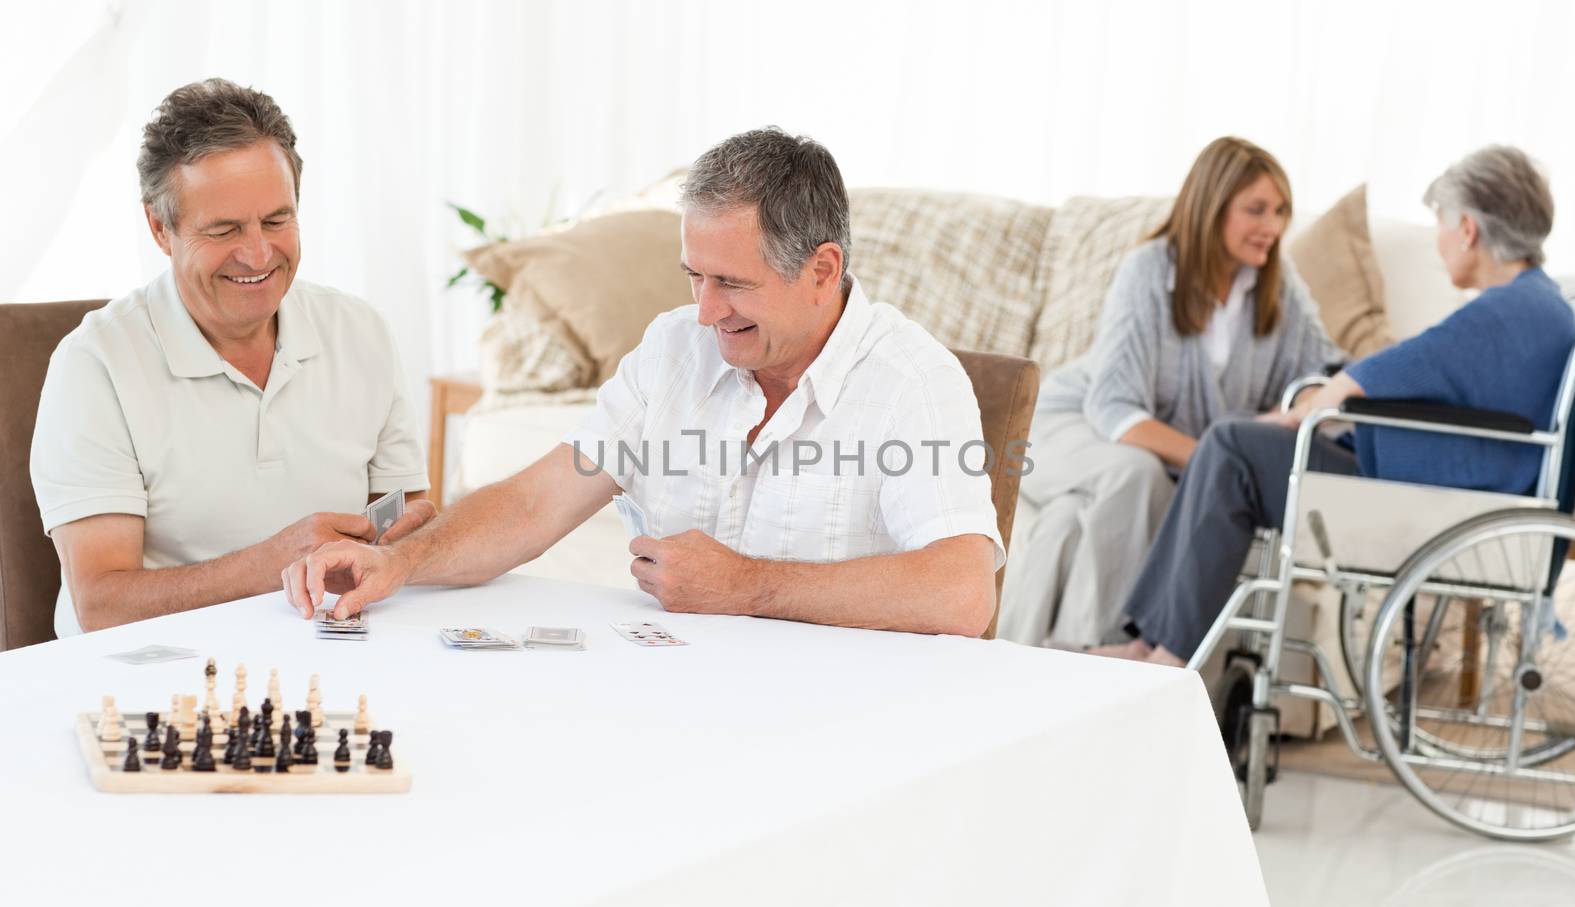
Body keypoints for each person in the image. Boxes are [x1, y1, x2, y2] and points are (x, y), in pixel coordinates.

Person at [281, 127, 1005, 636]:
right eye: (694, 276)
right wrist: (397, 560)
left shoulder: (913, 379)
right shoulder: (673, 348)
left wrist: (748, 586)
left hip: (845, 725)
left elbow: (962, 592)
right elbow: (536, 502)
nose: (705, 310)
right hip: (679, 703)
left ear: (821, 270)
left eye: (731, 283)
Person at [1099, 145, 1575, 667]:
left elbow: (1397, 368)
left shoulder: (1510, 309)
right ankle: (1154, 643)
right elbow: (1410, 371)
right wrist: (1327, 394)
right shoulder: (1538, 304)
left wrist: (1320, 404)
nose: (1439, 241)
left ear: (1466, 229)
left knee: (1231, 445)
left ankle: (1164, 653)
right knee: (1236, 436)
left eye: (1440, 222)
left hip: (1433, 509)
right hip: (1450, 492)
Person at [31, 78, 434, 635]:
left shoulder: (359, 331)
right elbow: (101, 604)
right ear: (159, 228)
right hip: (152, 672)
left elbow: (405, 517)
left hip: (326, 648)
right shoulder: (94, 365)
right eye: (224, 229)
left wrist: (409, 544)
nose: (258, 253)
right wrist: (272, 564)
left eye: (276, 220)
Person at [999, 137, 1339, 649]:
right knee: (1135, 473)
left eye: (1281, 210)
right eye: (1257, 209)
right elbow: (1114, 408)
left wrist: (1303, 403)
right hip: (1066, 421)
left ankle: (1043, 659)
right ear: (1212, 206)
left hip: (1142, 441)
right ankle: (1097, 656)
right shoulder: (1149, 270)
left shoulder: (1276, 284)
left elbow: (1327, 369)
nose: (1273, 226)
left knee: (1069, 523)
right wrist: (1220, 460)